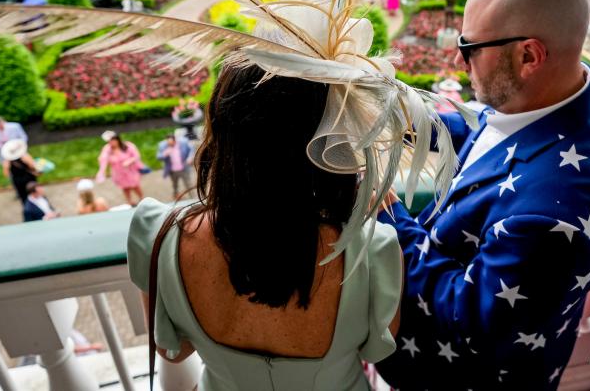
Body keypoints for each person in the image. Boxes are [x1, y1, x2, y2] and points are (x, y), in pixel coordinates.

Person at [376, 0, 590, 390]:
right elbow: (492, 130)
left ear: (529, 55)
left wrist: (388, 215)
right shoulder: (570, 93)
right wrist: (400, 119)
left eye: (471, 46)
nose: (459, 58)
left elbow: (467, 317)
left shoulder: (556, 213)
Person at [127, 65, 403, 389]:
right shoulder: (373, 251)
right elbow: (374, 349)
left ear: (222, 130)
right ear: (328, 145)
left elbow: (172, 350)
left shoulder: (157, 235)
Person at [96, 130, 144, 206]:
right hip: (118, 173)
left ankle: (142, 198)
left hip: (130, 171)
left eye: (113, 140)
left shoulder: (127, 146)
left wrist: (129, 161)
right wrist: (102, 171)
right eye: (110, 141)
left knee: (135, 186)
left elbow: (136, 156)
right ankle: (129, 201)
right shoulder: (108, 149)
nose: (111, 143)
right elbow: (103, 159)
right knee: (125, 187)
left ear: (117, 140)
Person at [157, 132, 192, 198]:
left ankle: (192, 197)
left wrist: (189, 158)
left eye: (171, 142)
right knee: (175, 185)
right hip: (172, 170)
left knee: (188, 184)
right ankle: (176, 196)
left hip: (183, 168)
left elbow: (191, 150)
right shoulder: (163, 146)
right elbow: (159, 157)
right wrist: (164, 154)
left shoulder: (183, 143)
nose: (170, 144)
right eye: (168, 143)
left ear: (175, 140)